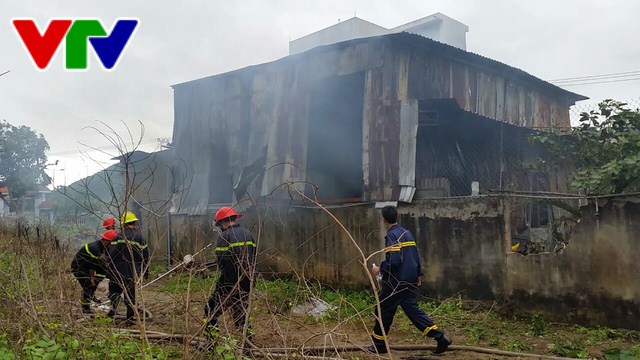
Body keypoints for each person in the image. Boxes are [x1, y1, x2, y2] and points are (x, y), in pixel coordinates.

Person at [366, 205, 452, 355]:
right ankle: (440, 337)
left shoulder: (392, 236)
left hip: (395, 283)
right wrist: (417, 275)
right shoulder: (407, 234)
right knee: (413, 311)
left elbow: (394, 261)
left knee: (383, 310)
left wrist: (380, 269)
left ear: (383, 219)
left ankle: (379, 345)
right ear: (398, 216)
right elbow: (414, 256)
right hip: (409, 281)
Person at [204, 207, 256, 341]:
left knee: (210, 310)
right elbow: (253, 257)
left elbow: (222, 261)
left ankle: (211, 344)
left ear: (222, 222)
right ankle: (249, 345)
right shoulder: (248, 233)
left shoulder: (224, 236)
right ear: (234, 218)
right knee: (240, 314)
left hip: (229, 282)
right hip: (248, 280)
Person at [106, 211, 149, 322]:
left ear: (123, 224)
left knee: (114, 290)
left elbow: (112, 254)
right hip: (132, 271)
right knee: (130, 295)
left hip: (116, 270)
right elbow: (145, 256)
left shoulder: (118, 236)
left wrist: (109, 268)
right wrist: (146, 271)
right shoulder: (140, 237)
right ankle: (129, 319)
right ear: (134, 222)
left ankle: (113, 310)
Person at [71, 229, 118, 314]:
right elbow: (91, 266)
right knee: (88, 285)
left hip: (90, 265)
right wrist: (92, 279)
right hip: (79, 267)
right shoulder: (95, 248)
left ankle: (91, 296)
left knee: (100, 276)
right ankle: (85, 307)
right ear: (107, 242)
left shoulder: (102, 247)